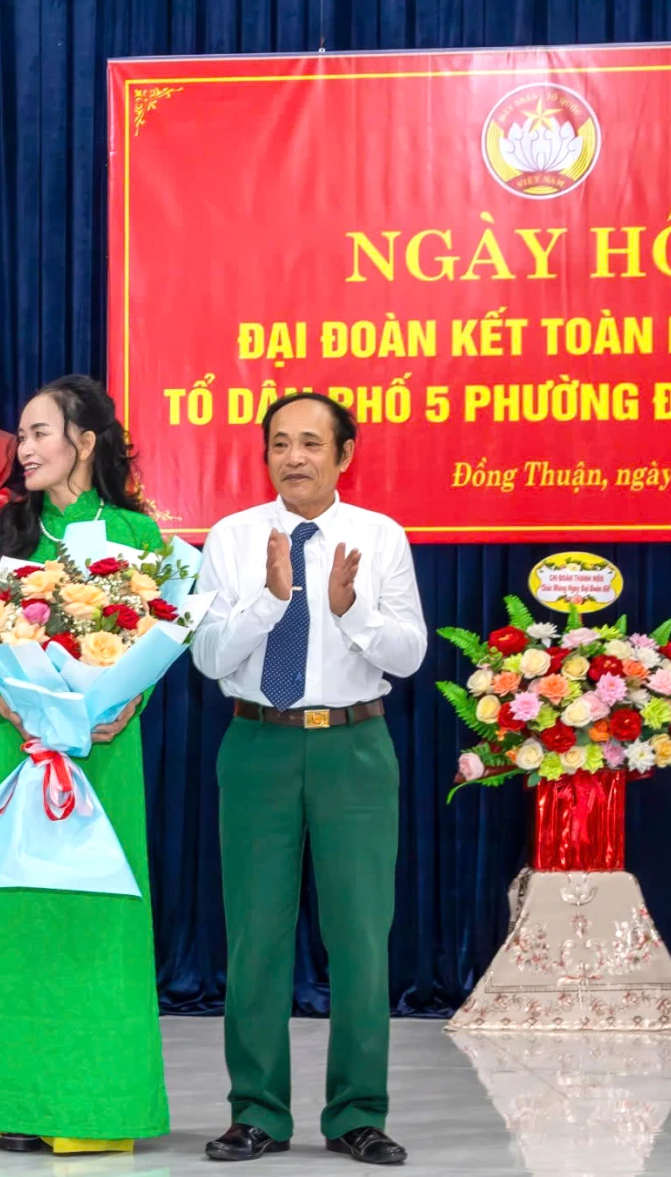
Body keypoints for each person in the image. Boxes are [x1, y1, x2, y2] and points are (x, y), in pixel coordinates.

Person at [192, 392, 427, 1166]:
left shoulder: (379, 536)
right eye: (280, 443)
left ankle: (358, 1112)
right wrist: (270, 601)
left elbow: (409, 654)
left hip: (353, 747)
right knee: (255, 936)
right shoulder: (231, 538)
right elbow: (208, 657)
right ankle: (255, 1110)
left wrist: (349, 610)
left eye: (311, 443)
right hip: (258, 744)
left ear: (345, 454)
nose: (294, 457)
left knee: (360, 938)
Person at [0, 374, 170, 1155]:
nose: (26, 448)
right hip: (16, 750)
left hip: (101, 754)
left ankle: (94, 1108)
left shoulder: (137, 533)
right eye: (22, 435)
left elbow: (158, 635)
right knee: (15, 919)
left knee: (94, 920)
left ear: (85, 440)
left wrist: (123, 703)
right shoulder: (4, 531)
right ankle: (9, 1100)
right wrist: (5, 698)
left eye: (41, 432)